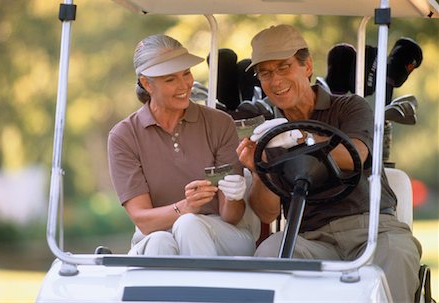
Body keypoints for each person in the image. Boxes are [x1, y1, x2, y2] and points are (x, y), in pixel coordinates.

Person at [236, 24, 422, 303]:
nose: (275, 81)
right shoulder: (269, 132)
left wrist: (301, 137)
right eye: (266, 73)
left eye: (284, 67)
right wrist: (259, 169)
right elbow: (266, 213)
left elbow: (355, 156)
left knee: (397, 254)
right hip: (311, 237)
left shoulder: (349, 107)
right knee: (269, 253)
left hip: (371, 229)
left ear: (307, 66)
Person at [108, 34, 256, 257]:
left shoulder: (219, 123)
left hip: (224, 234)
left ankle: (201, 293)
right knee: (159, 241)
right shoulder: (124, 136)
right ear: (147, 84)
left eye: (186, 73)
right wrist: (187, 206)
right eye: (170, 79)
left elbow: (231, 216)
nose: (184, 85)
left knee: (189, 225)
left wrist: (234, 196)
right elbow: (143, 220)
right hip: (155, 236)